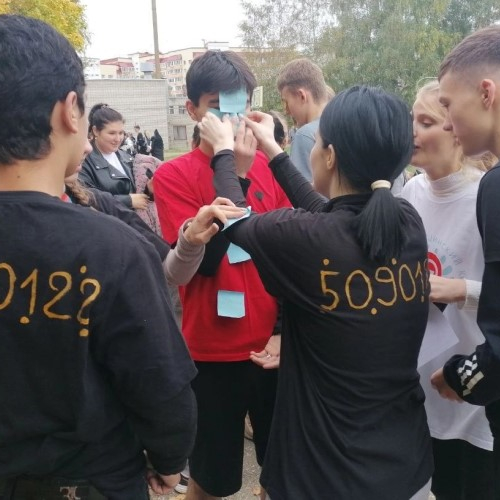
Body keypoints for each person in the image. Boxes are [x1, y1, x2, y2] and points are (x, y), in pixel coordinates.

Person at [198, 85, 433, 499]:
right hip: (404, 462)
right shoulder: (406, 222)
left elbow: (233, 221)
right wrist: (274, 151)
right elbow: (332, 211)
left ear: (329, 156)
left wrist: (223, 153)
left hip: (324, 473)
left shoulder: (305, 238)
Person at [0, 13, 200, 499]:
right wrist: (169, 459)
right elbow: (160, 382)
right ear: (70, 110)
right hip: (91, 479)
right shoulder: (112, 250)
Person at [154, 50, 291, 500]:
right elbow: (202, 263)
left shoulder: (274, 168)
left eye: (239, 104)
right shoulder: (173, 175)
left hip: (272, 350)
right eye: (216, 106)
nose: (230, 118)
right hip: (211, 353)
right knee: (211, 478)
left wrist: (282, 331)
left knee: (282, 470)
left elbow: (291, 259)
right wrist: (237, 173)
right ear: (192, 110)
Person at [401, 79, 495, 499]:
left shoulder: (486, 195)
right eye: (412, 121)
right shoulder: (409, 192)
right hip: (419, 385)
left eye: (426, 122)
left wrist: (461, 289)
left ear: (455, 130)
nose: (413, 132)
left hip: (471, 389)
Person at [429, 23, 500, 492]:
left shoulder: (493, 189)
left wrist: (460, 375)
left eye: (448, 106)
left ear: (486, 93)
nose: (449, 123)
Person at [80, 104, 149, 210]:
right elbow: (85, 196)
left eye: (121, 133)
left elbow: (136, 194)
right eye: (112, 133)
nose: (118, 139)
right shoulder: (83, 161)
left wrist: (149, 189)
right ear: (96, 131)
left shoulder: (126, 157)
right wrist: (127, 201)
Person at [277, 58, 330, 181]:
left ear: (302, 96)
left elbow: (300, 190)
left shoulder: (305, 135)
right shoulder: (346, 124)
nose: (286, 111)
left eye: (286, 102)